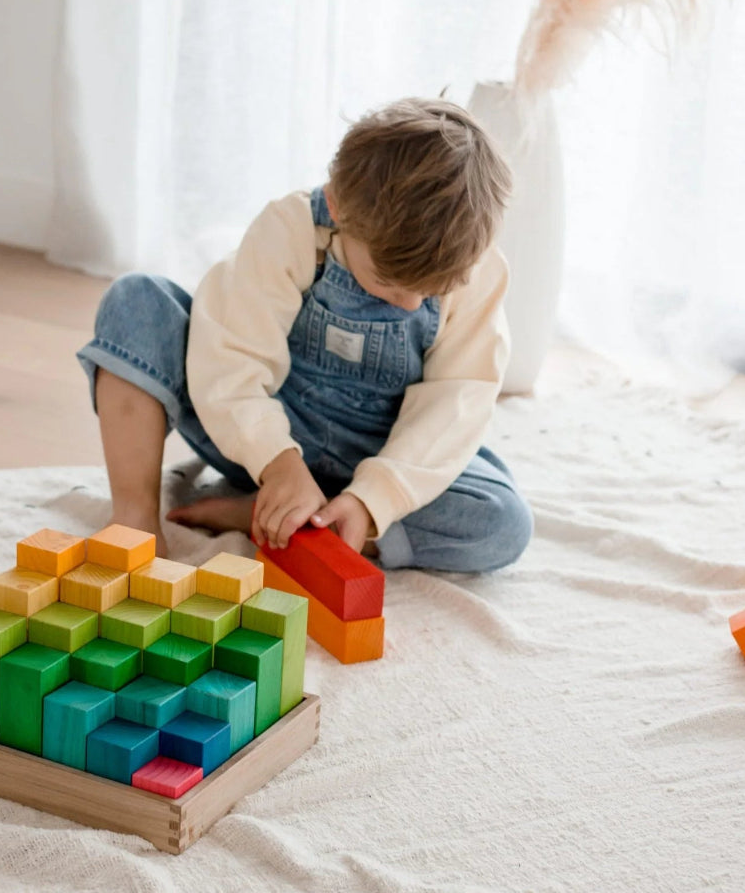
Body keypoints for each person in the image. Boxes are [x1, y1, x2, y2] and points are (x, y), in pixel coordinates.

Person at [77, 97, 533, 572]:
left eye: (433, 291)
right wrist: (276, 462)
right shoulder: (292, 228)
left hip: (377, 450)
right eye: (388, 284)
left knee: (503, 520)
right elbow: (229, 357)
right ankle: (135, 518)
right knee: (137, 299)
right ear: (338, 207)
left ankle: (305, 521)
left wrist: (374, 501)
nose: (411, 305)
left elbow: (454, 407)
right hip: (255, 430)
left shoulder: (479, 271)